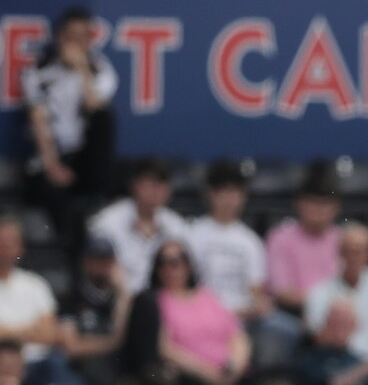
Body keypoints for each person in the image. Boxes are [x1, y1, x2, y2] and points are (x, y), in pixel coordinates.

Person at [22, 6, 118, 256]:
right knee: (57, 199)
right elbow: (37, 118)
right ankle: (67, 256)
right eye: (71, 36)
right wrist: (52, 165)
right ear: (60, 37)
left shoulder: (101, 70)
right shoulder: (39, 71)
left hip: (84, 159)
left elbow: (93, 105)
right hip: (51, 158)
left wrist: (82, 69)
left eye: (82, 37)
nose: (75, 43)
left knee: (105, 119)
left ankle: (99, 200)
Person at [188, 159, 299, 372]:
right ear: (210, 194)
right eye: (223, 192)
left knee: (286, 329)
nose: (229, 199)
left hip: (242, 315)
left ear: (243, 197)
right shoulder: (192, 236)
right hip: (202, 313)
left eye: (235, 192)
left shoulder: (250, 241)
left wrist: (257, 306)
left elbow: (256, 290)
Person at [303, 223, 368, 378]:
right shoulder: (321, 292)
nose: (353, 256)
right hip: (339, 363)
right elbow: (317, 336)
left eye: (359, 251)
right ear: (340, 253)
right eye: (348, 250)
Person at [153, 240, 251, 384]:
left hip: (231, 375)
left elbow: (238, 336)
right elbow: (165, 348)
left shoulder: (208, 296)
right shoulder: (156, 301)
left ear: (188, 265)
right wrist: (209, 374)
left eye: (177, 261)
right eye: (163, 262)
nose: (170, 268)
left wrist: (234, 369)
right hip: (192, 377)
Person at [88, 157, 189, 293]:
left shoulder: (177, 226)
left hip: (162, 301)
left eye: (161, 184)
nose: (156, 190)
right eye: (150, 184)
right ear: (134, 185)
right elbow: (95, 268)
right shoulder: (107, 222)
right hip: (116, 296)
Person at [0, 215, 79, 385]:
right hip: (2, 362)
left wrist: (8, 333)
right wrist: (31, 331)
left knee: (61, 369)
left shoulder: (35, 284)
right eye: (1, 242)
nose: (4, 248)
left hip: (39, 362)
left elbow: (49, 333)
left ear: (20, 247)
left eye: (9, 242)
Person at [265, 169, 343, 316]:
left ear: (336, 207)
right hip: (293, 315)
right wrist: (321, 303)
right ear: (299, 203)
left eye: (325, 203)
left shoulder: (343, 239)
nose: (319, 209)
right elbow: (281, 291)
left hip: (338, 316)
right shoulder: (280, 237)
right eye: (313, 202)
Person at [58, 237, 132, 385]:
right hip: (84, 368)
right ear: (86, 262)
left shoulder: (123, 297)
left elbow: (124, 333)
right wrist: (112, 343)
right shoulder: (72, 297)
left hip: (118, 365)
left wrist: (123, 294)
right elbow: (72, 347)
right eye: (97, 260)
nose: (103, 266)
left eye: (107, 260)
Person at [298, 297, 368, 385]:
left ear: (355, 325)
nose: (340, 328)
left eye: (345, 322)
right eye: (336, 321)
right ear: (327, 322)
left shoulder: (357, 359)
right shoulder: (310, 359)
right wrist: (366, 369)